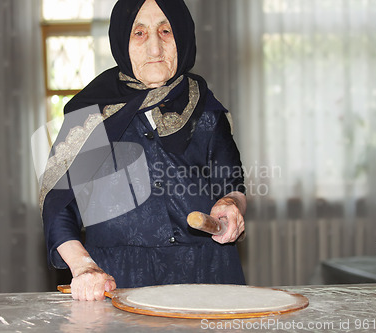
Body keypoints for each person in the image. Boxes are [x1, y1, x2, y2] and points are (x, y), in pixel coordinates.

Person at [40, 0, 247, 301]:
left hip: (207, 274)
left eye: (166, 31)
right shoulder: (92, 115)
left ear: (183, 38)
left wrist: (231, 206)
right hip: (117, 277)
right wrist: (83, 267)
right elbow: (60, 206)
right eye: (139, 33)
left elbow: (233, 186)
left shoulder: (205, 108)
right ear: (122, 40)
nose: (155, 49)